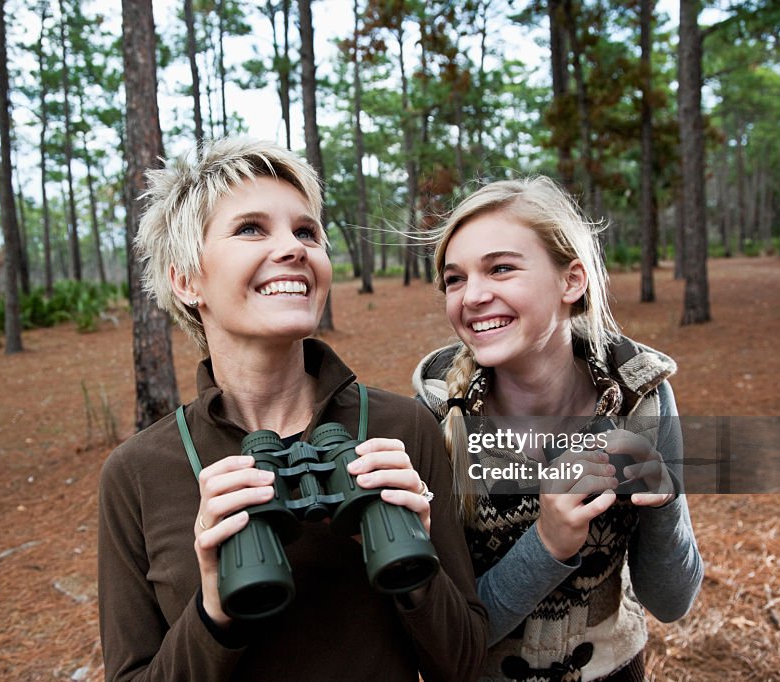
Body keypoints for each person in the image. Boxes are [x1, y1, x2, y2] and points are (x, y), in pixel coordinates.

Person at [98, 138, 486, 681]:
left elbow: (465, 664)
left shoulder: (400, 429)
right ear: (187, 281)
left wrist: (417, 573)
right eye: (251, 228)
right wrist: (214, 613)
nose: (294, 249)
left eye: (307, 232)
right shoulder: (139, 471)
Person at [412, 177, 703, 682]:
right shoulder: (433, 419)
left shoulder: (642, 401)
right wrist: (548, 543)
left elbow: (672, 601)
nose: (472, 296)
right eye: (454, 279)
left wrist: (665, 502)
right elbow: (448, 637)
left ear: (571, 281)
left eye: (501, 268)